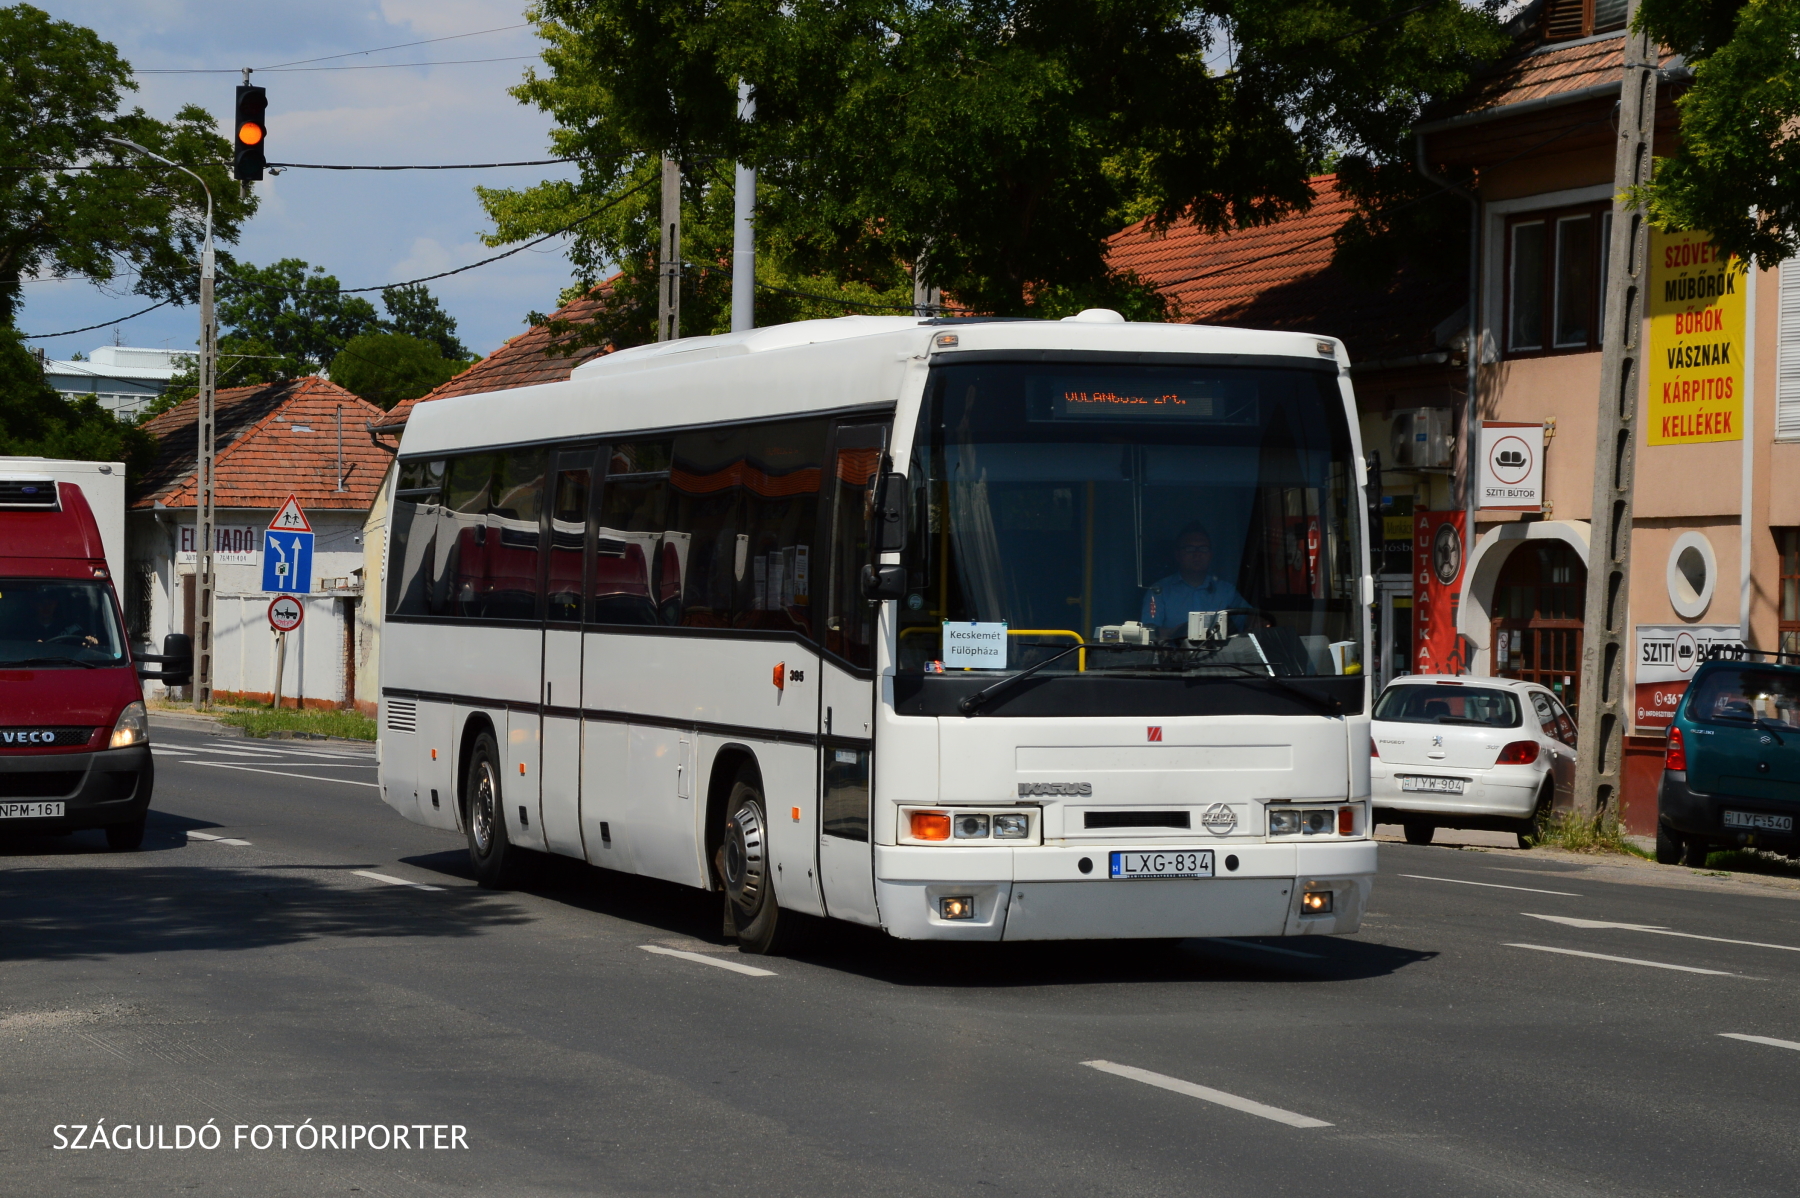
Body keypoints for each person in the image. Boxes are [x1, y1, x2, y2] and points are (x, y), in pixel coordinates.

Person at [1140, 522, 1248, 635]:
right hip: (1174, 651)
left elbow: (1251, 621)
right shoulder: (1159, 591)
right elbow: (1148, 631)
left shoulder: (1226, 591)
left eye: (1203, 548)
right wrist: (1176, 633)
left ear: (1211, 554)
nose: (1197, 554)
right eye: (1190, 548)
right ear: (1177, 554)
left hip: (1220, 652)